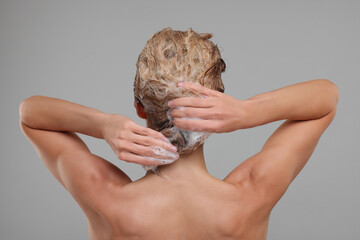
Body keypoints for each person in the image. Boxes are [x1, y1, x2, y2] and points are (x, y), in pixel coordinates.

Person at [19, 28, 339, 240]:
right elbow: (327, 98)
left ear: (139, 106)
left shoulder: (107, 198)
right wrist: (246, 112)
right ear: (216, 108)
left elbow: (30, 114)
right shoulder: (250, 195)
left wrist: (102, 124)